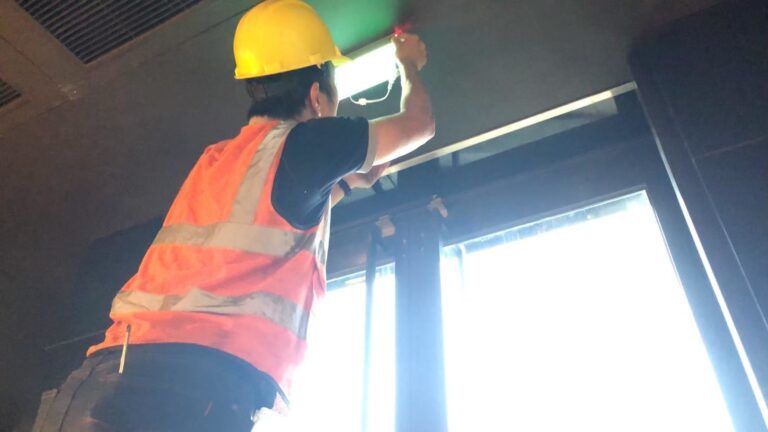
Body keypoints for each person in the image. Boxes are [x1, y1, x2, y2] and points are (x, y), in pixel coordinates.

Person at [32, 0, 434, 430]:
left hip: (101, 380)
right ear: (316, 97)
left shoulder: (218, 159)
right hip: (192, 389)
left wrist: (347, 182)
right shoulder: (310, 140)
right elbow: (419, 125)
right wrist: (409, 65)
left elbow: (277, 221)